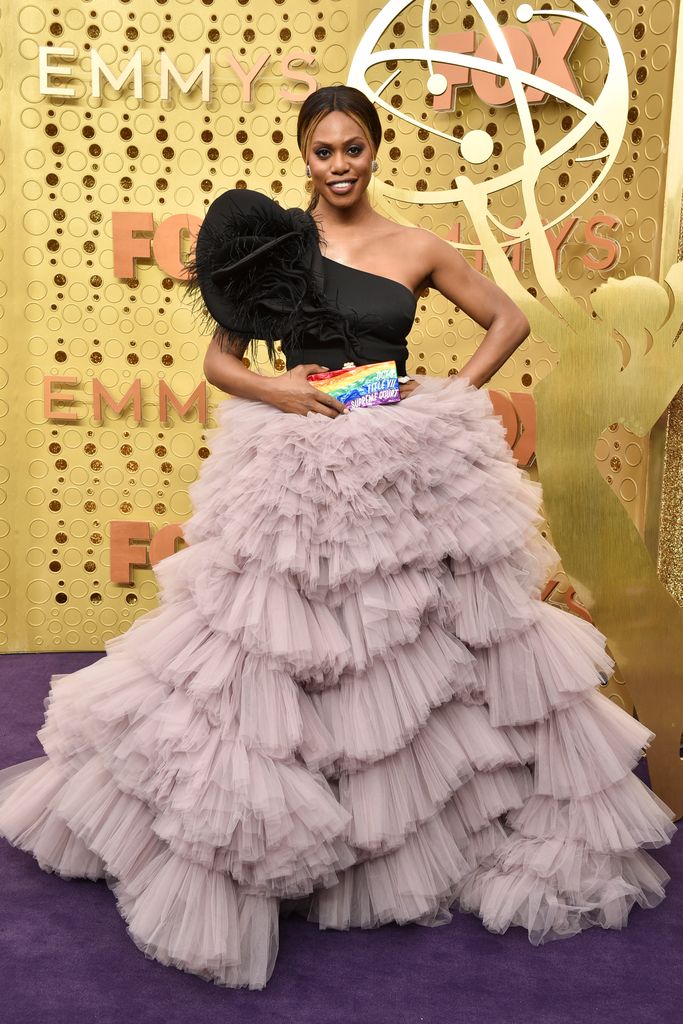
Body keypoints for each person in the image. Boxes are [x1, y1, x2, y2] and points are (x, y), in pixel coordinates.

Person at [0, 85, 676, 991]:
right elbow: (220, 360)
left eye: (353, 148)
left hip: (397, 457)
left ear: (375, 149)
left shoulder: (419, 247)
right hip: (295, 455)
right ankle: (279, 836)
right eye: (323, 151)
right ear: (303, 157)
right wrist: (284, 392)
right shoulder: (277, 245)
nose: (339, 165)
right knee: (279, 646)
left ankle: (397, 840)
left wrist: (443, 392)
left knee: (410, 645)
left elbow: (507, 321)